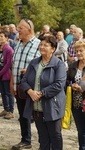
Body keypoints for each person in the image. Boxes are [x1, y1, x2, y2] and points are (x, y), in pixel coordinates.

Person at [21, 35, 66, 150]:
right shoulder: (34, 63)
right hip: (37, 107)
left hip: (52, 107)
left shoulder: (58, 64)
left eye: (45, 45)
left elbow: (59, 84)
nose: (42, 47)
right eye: (41, 44)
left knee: (55, 136)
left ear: (53, 48)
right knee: (43, 137)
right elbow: (24, 80)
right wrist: (30, 92)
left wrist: (41, 93)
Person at [10, 19, 41, 150]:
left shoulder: (39, 44)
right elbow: (14, 65)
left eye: (20, 27)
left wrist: (30, 70)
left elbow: (43, 65)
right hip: (19, 87)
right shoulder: (18, 45)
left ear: (30, 30)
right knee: (22, 115)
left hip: (33, 88)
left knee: (39, 117)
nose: (18, 30)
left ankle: (44, 143)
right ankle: (26, 140)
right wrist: (12, 82)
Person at [67, 39, 85, 150]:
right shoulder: (73, 65)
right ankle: (82, 148)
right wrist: (71, 86)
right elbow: (66, 80)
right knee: (81, 129)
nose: (78, 53)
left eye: (81, 51)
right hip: (76, 102)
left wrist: (83, 87)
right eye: (77, 51)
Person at [0, 31, 14, 119]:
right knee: (3, 92)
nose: (0, 38)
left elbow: (8, 64)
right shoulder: (1, 48)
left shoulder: (9, 49)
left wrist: (0, 73)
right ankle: (6, 108)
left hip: (6, 74)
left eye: (1, 36)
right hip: (1, 74)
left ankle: (11, 111)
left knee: (8, 93)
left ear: (6, 38)